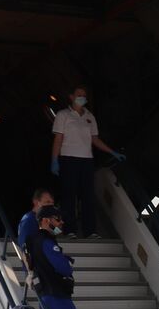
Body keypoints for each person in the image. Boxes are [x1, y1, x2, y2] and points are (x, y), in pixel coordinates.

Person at [50, 85, 124, 239]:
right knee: (69, 195)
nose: (82, 97)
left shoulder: (90, 117)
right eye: (79, 95)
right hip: (68, 158)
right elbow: (58, 139)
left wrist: (112, 152)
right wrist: (55, 160)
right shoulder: (63, 115)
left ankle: (90, 231)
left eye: (84, 95)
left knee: (88, 196)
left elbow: (95, 140)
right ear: (71, 97)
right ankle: (70, 230)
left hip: (87, 160)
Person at [16, 187, 54, 252]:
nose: (51, 205)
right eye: (47, 202)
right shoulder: (29, 220)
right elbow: (24, 246)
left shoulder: (45, 219)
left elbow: (55, 233)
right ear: (36, 202)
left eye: (52, 203)